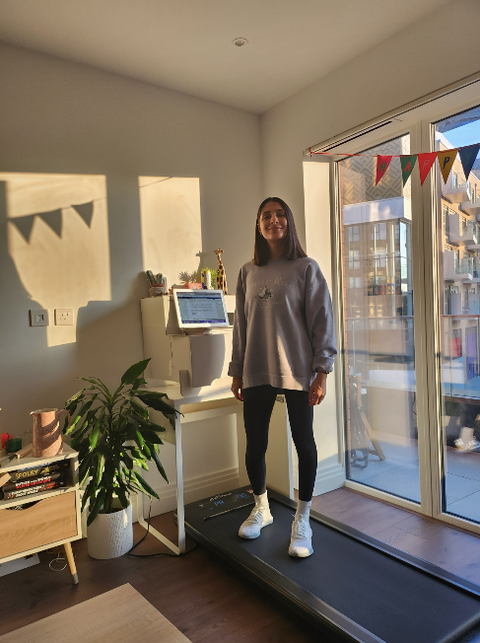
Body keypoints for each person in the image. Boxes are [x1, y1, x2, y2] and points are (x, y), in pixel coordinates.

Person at [228, 197, 336, 558]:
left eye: (279, 215)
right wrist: (236, 371)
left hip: (299, 371)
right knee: (254, 443)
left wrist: (321, 371)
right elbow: (240, 327)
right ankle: (262, 508)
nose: (273, 220)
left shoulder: (306, 268)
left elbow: (322, 321)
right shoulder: (247, 272)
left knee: (304, 443)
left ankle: (303, 519)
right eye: (266, 216)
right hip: (256, 369)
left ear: (288, 222)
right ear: (258, 226)